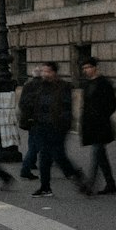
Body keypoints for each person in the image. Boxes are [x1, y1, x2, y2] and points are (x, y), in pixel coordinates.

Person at [19, 61, 85, 198]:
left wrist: (62, 124)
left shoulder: (63, 87)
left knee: (59, 156)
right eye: (43, 71)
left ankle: (77, 177)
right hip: (41, 126)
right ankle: (45, 187)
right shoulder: (40, 86)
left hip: (57, 127)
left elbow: (66, 108)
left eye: (48, 71)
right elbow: (29, 103)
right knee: (44, 158)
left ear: (54, 72)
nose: (45, 74)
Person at [80, 58, 116, 195]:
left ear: (95, 67)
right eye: (84, 68)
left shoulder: (104, 83)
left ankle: (90, 184)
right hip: (90, 125)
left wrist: (102, 116)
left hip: (101, 125)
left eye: (88, 67)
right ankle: (110, 183)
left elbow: (112, 104)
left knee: (97, 153)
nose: (86, 70)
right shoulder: (87, 84)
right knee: (101, 156)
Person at [17, 66, 44, 180]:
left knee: (32, 141)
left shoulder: (27, 85)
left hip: (29, 119)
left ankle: (31, 163)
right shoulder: (43, 85)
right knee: (37, 145)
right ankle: (26, 168)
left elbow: (21, 103)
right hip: (40, 119)